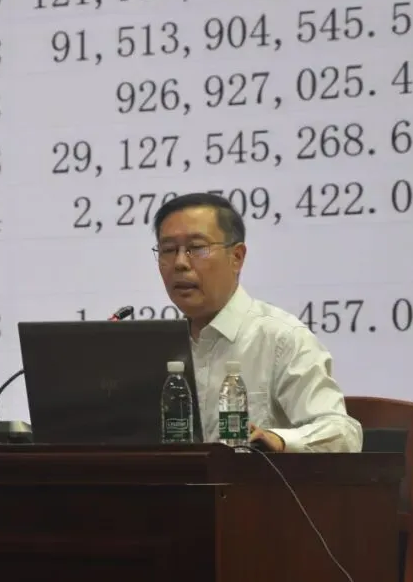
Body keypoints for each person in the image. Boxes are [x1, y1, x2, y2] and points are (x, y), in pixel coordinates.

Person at [151, 192, 362, 453]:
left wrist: (278, 440)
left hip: (253, 480)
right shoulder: (157, 348)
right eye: (168, 250)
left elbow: (342, 433)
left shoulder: (280, 339)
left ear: (237, 257)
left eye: (197, 248)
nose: (180, 263)